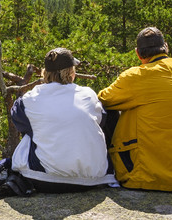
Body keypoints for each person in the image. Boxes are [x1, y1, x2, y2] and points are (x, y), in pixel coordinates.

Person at [98, 27, 172, 191]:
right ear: (166, 48)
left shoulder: (136, 76)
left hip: (153, 178)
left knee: (107, 109)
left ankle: (101, 173)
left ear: (138, 54)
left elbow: (103, 99)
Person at [10, 47, 117, 193]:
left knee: (33, 128)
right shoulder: (88, 95)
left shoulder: (30, 99)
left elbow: (17, 120)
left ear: (45, 74)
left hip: (44, 179)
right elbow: (103, 121)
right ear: (71, 73)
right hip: (93, 179)